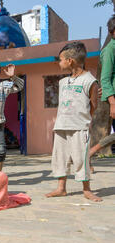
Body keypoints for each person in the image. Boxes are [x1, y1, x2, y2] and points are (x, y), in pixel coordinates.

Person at [45, 42, 102, 202]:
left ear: (70, 61)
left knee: (80, 158)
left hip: (79, 127)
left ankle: (87, 189)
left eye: (61, 59)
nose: (59, 63)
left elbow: (93, 105)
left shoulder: (89, 81)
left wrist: (83, 120)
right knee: (59, 157)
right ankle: (61, 188)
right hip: (61, 126)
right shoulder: (63, 82)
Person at [89, 15, 115, 167]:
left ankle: (91, 151)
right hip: (112, 98)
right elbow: (104, 79)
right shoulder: (109, 50)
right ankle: (92, 151)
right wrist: (112, 103)